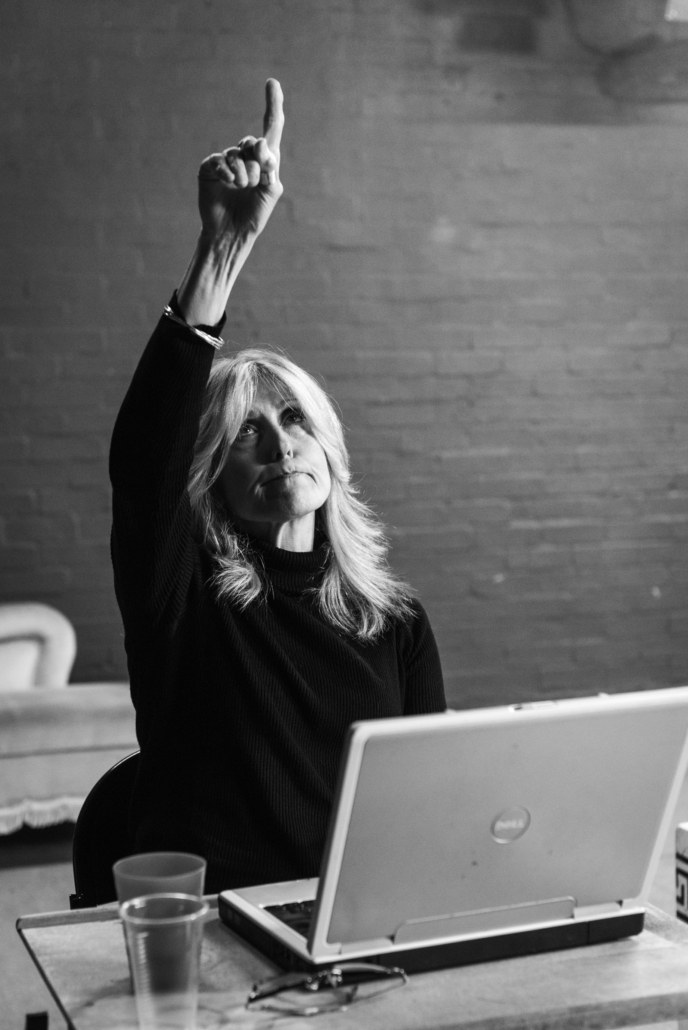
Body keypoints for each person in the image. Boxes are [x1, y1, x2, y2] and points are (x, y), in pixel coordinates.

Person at [110, 79, 446, 894]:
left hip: (355, 917)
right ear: (212, 477)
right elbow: (145, 463)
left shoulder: (395, 620)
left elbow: (428, 802)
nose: (279, 443)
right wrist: (220, 252)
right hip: (220, 922)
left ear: (329, 448)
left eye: (295, 420)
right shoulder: (184, 599)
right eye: (245, 433)